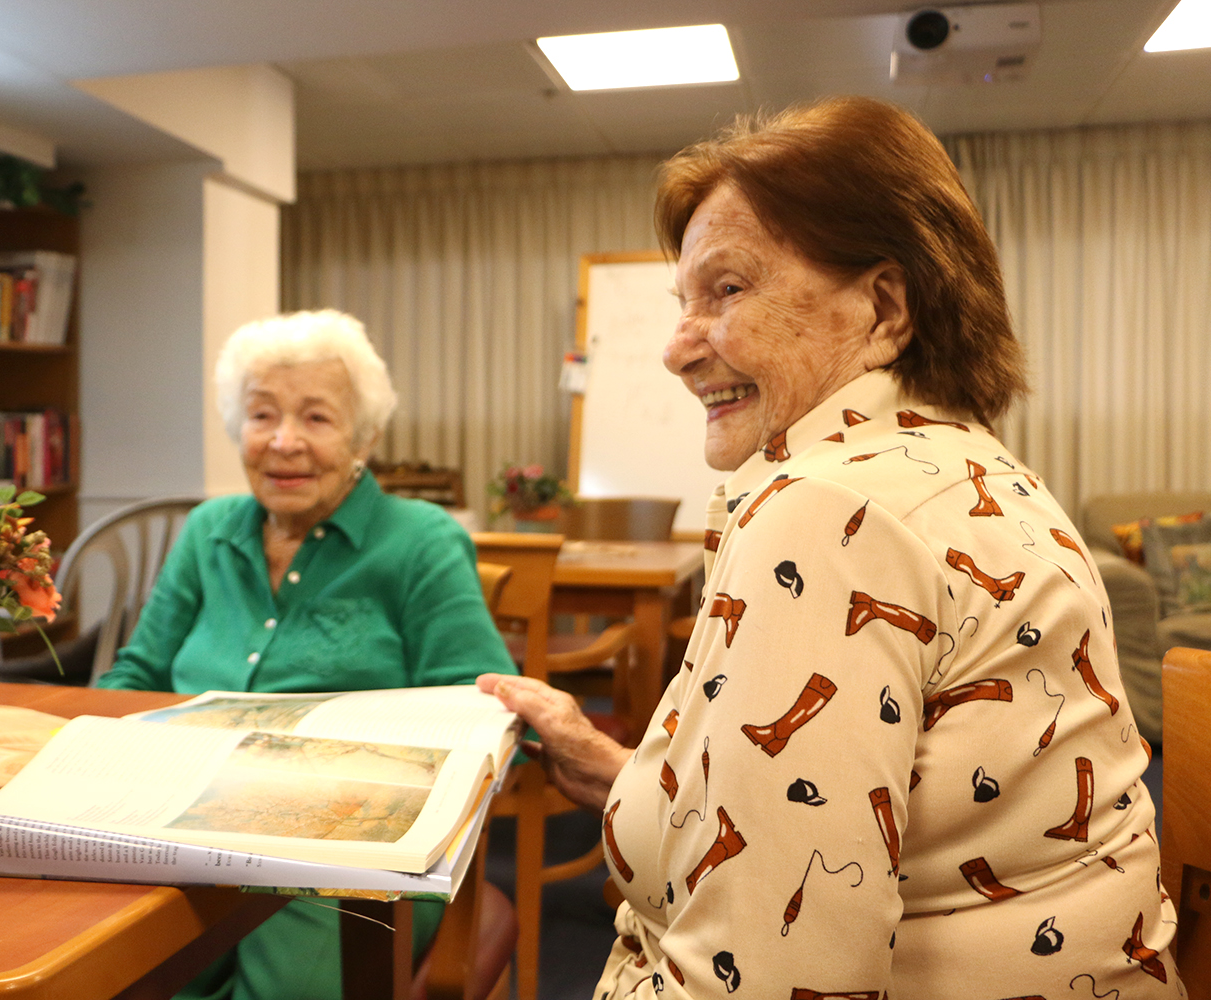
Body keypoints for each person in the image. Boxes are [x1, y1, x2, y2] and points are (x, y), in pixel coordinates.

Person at [481, 96, 1182, 998]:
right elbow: (877, 804)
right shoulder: (969, 466)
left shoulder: (828, 515)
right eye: (682, 302)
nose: (676, 348)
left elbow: (773, 976)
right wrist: (621, 773)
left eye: (727, 291)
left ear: (884, 306)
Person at [98, 308, 516, 1000]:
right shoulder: (208, 532)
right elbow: (137, 673)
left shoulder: (421, 541)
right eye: (262, 416)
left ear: (365, 437)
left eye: (317, 418)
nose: (284, 442)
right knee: (107, 967)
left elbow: (485, 714)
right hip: (174, 823)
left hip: (341, 846)